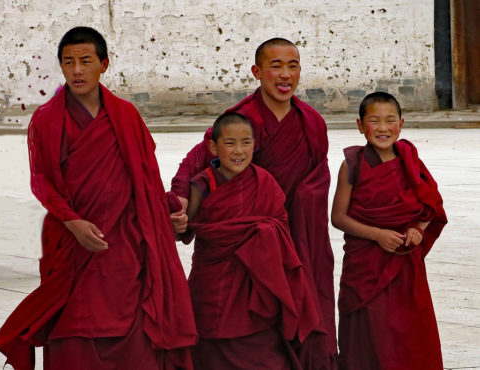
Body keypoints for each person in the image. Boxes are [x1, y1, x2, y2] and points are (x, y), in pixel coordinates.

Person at [0, 26, 197, 370]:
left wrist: (165, 213)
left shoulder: (126, 115)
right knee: (73, 328)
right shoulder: (46, 119)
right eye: (68, 62)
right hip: (72, 243)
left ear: (104, 64)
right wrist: (72, 222)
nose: (76, 70)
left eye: (85, 61)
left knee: (133, 328)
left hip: (125, 242)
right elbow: (42, 181)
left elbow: (143, 180)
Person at [169, 37, 337, 369]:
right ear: (257, 71)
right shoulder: (242, 119)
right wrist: (180, 201)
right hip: (246, 250)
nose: (285, 74)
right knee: (250, 335)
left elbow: (315, 184)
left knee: (304, 319)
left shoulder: (312, 123)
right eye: (276, 66)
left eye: (293, 66)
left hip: (297, 240)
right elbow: (196, 161)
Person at [180, 112, 320, 369]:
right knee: (211, 352)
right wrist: (177, 222)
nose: (238, 151)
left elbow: (281, 228)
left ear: (255, 146)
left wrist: (263, 233)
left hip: (257, 287)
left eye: (246, 142)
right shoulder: (202, 185)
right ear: (213, 147)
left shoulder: (264, 182)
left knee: (263, 355)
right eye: (230, 143)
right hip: (214, 285)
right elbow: (184, 230)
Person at [331, 92, 447, 370]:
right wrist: (377, 235)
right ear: (360, 125)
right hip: (366, 264)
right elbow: (338, 217)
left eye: (390, 120)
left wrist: (417, 229)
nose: (383, 128)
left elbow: (432, 205)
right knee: (371, 330)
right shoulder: (352, 165)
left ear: (401, 123)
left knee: (410, 329)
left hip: (405, 265)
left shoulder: (411, 162)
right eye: (374, 121)